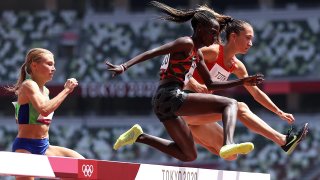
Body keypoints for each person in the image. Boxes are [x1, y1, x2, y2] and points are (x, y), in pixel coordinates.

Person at [106, 1, 264, 161]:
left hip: (164, 103)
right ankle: (228, 143)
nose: (216, 37)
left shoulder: (198, 54)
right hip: (170, 95)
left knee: (189, 155)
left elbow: (211, 85)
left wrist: (242, 81)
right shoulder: (186, 43)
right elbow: (153, 52)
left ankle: (140, 136)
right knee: (231, 104)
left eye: (217, 33)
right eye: (213, 32)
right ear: (200, 29)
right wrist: (124, 66)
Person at [182, 11, 309, 160]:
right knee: (238, 107)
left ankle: (188, 136)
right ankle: (283, 140)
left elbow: (256, 93)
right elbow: (181, 63)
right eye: (247, 38)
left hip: (197, 116)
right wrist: (194, 82)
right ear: (233, 37)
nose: (251, 43)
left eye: (252, 39)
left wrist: (279, 111)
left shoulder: (237, 66)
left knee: (231, 155)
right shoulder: (213, 52)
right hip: (184, 105)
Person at [6, 48, 84, 180]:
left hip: (44, 146)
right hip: (26, 148)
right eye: (49, 64)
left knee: (82, 167)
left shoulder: (46, 91)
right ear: (34, 66)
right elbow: (44, 109)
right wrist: (66, 90)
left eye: (53, 64)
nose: (53, 68)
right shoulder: (28, 85)